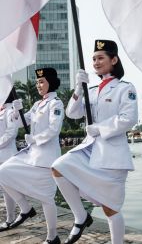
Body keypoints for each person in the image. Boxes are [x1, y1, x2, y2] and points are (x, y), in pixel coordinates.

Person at [52, 39, 138, 244]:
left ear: (114, 59)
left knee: (111, 207)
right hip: (89, 150)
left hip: (113, 155)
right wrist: (78, 89)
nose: (96, 62)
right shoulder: (91, 91)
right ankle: (81, 217)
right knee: (58, 167)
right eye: (93, 59)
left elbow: (129, 119)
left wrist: (99, 128)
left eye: (101, 58)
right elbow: (72, 113)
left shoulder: (125, 88)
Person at [0, 68, 64, 244]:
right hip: (31, 156)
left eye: (42, 82)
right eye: (37, 82)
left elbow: (54, 129)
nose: (38, 85)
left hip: (47, 158)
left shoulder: (56, 103)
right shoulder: (37, 105)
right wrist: (15, 111)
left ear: (51, 82)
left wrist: (34, 139)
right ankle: (26, 208)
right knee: (3, 172)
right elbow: (21, 122)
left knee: (46, 198)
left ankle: (52, 237)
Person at [0, 90, 18, 232]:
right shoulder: (2, 109)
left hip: (6, 156)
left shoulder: (11, 110)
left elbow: (12, 132)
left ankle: (10, 218)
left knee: (7, 189)